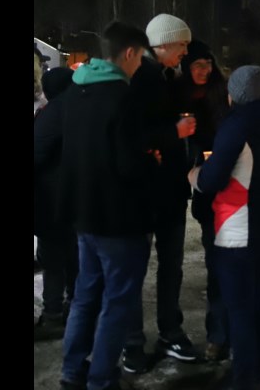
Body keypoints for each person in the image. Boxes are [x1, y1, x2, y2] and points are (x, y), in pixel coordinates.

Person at [57, 21, 156, 390]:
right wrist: (152, 159)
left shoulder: (76, 91)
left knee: (85, 296)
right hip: (119, 219)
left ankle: (72, 371)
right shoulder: (122, 97)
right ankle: (101, 378)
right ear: (129, 53)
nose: (139, 66)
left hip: (85, 215)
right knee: (117, 302)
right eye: (140, 58)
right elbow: (128, 164)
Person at [187, 65, 260, 390]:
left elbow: (213, 177)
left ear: (236, 94)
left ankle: (245, 380)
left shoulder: (237, 125)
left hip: (238, 228)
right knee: (259, 301)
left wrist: (196, 177)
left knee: (239, 310)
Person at [123, 13, 200, 372]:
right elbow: (135, 135)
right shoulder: (144, 78)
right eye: (181, 44)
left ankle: (163, 334)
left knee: (168, 266)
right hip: (148, 192)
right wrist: (176, 132)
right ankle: (135, 343)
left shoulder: (164, 77)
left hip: (166, 190)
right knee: (142, 268)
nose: (185, 51)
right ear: (162, 43)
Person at [173, 39, 231, 362]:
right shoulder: (177, 93)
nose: (203, 70)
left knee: (226, 265)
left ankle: (224, 335)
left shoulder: (221, 94)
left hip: (223, 185)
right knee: (214, 262)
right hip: (199, 186)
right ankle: (218, 334)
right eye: (196, 64)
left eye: (207, 64)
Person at [34, 67, 78, 339]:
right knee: (75, 257)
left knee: (52, 258)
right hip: (77, 198)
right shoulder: (81, 109)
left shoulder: (54, 113)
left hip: (53, 199)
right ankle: (75, 308)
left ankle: (52, 315)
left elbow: (36, 154)